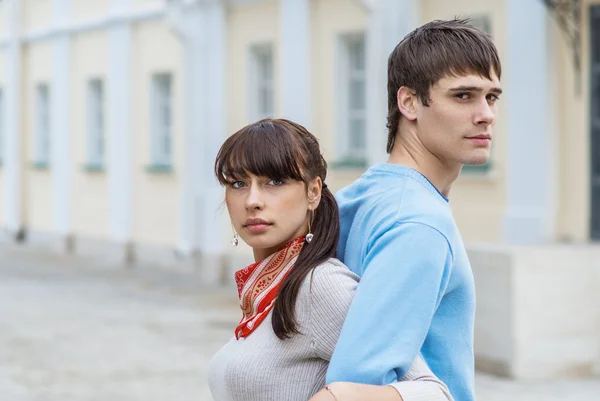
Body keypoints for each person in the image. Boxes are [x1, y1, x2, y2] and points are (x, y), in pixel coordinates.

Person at [309, 18, 502, 401]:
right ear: (409, 102)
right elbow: (357, 385)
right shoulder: (418, 224)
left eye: (491, 97)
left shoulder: (357, 198)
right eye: (463, 96)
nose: (486, 114)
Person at [207, 118, 453, 401]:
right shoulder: (268, 291)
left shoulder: (319, 285)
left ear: (313, 191)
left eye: (275, 181)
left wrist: (338, 396)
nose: (252, 200)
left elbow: (434, 393)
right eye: (238, 183)